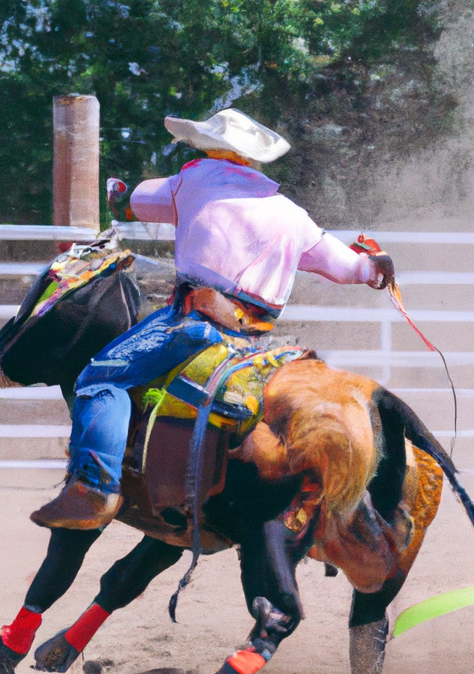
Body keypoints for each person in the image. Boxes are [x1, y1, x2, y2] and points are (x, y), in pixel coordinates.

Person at [30, 107, 395, 531]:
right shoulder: (292, 214)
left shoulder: (195, 179)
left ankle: (95, 487)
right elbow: (353, 270)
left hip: (193, 325)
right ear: (254, 157)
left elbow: (131, 204)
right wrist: (375, 263)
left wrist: (116, 191)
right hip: (252, 339)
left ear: (210, 149)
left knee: (99, 377)